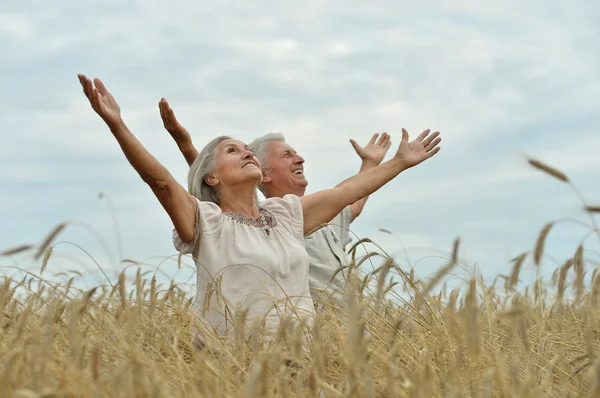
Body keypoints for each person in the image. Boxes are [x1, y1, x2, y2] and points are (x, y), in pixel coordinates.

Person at [78, 74, 442, 342]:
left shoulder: (286, 215)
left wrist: (399, 163)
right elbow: (159, 180)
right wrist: (118, 125)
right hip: (233, 370)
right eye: (231, 151)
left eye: (246, 148)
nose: (246, 152)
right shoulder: (206, 223)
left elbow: (347, 192)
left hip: (301, 366)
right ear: (211, 178)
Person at [159, 99, 397, 305]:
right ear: (264, 173)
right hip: (308, 332)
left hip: (350, 332)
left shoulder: (320, 212)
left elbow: (353, 195)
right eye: (287, 155)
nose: (300, 159)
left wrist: (370, 163)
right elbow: (218, 186)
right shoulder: (265, 222)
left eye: (295, 153)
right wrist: (188, 148)